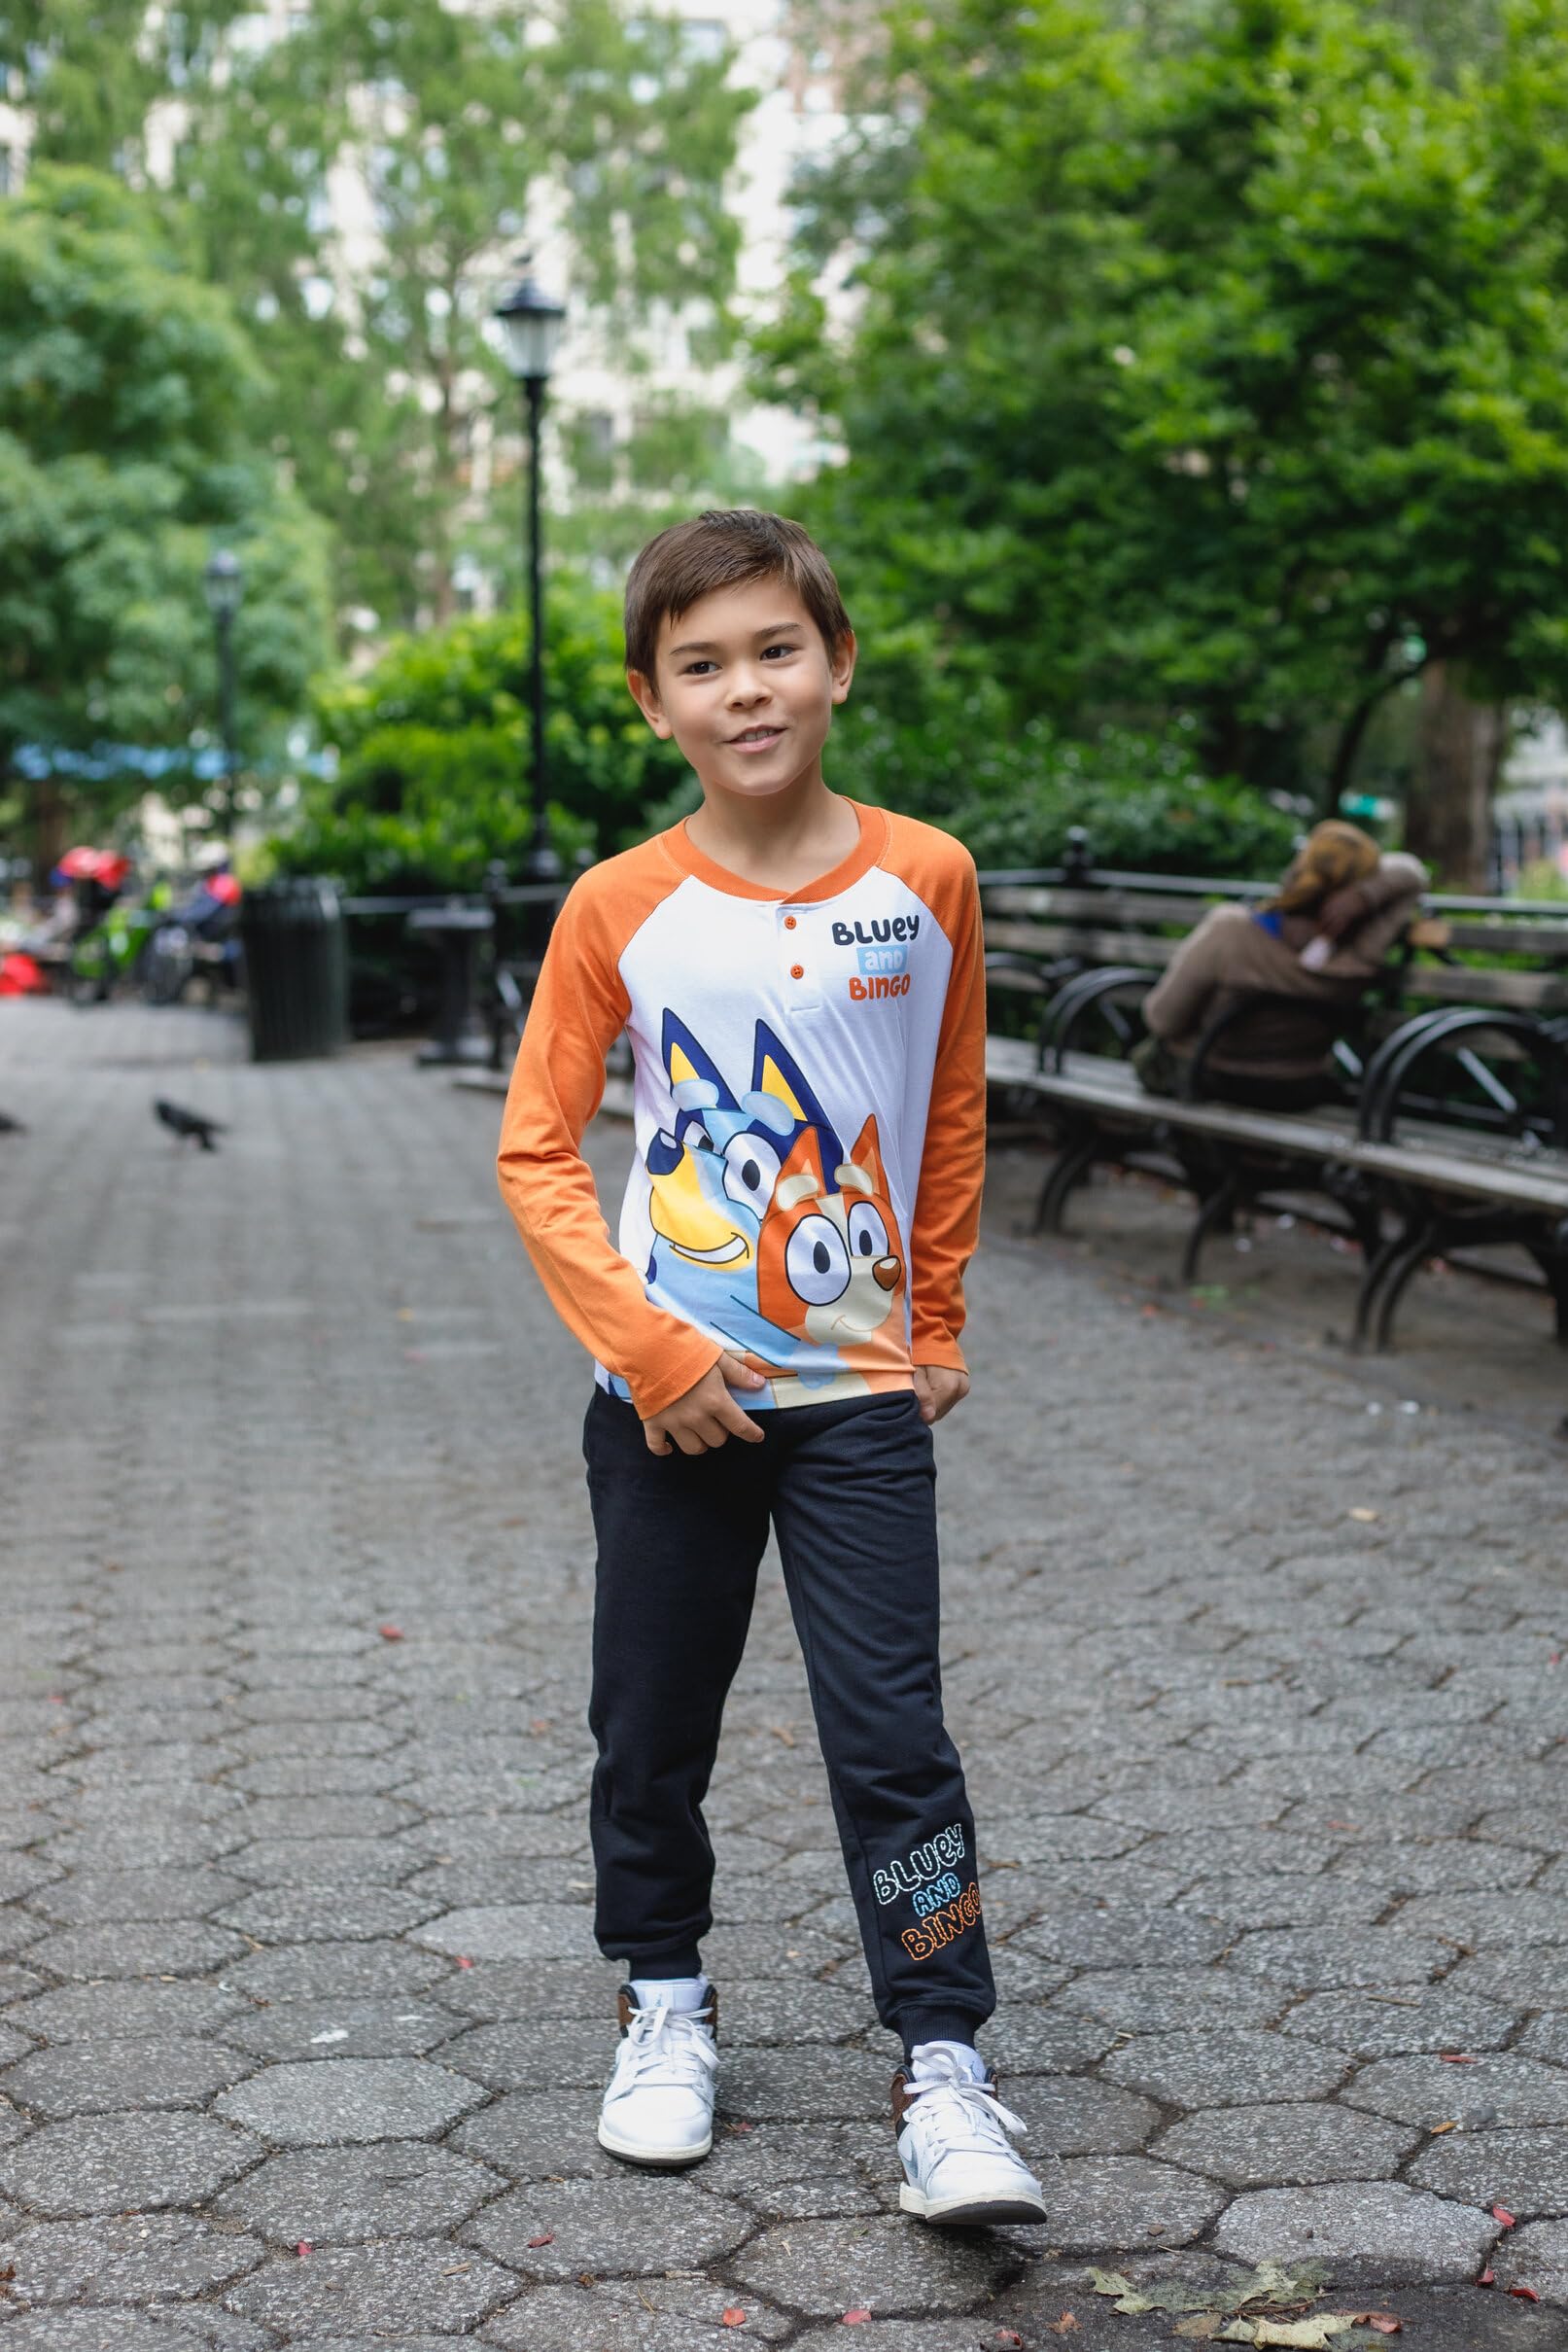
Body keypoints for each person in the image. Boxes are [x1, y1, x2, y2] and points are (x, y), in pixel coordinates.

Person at [497, 509, 1046, 2229]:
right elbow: (534, 1150)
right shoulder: (619, 906)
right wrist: (648, 1351)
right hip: (668, 1407)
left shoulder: (926, 878)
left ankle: (943, 2060)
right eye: (701, 664)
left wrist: (935, 1319)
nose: (745, 688)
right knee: (647, 1725)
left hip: (856, 1404)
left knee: (894, 1739)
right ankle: (660, 1996)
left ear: (837, 661)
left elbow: (948, 1113)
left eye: (774, 650)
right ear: (652, 701)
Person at [1134, 820, 1427, 1106]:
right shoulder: (1360, 956)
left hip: (1210, 1076)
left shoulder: (1231, 931)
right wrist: (1363, 896)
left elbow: (1162, 1019)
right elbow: (1413, 873)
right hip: (1296, 1086)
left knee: (1148, 1057)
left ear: (1299, 869)